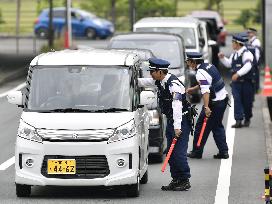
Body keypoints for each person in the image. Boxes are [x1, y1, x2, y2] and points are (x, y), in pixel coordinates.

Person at [138, 58, 192, 191]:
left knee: (178, 152)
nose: (151, 74)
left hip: (180, 121)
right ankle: (176, 179)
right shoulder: (160, 80)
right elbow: (144, 81)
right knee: (171, 152)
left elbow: (177, 106)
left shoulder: (174, 84)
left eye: (152, 71)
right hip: (172, 120)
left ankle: (184, 180)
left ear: (160, 71)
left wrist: (177, 127)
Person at [186, 52, 229, 159]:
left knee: (201, 127)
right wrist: (194, 89)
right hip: (223, 100)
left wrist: (206, 107)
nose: (188, 64)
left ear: (194, 62)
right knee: (217, 126)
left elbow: (206, 91)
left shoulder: (200, 73)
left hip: (214, 104)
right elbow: (207, 83)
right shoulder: (209, 66)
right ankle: (224, 152)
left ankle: (197, 152)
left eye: (189, 61)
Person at [218, 33, 254, 128]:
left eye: (233, 42)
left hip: (246, 83)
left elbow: (248, 66)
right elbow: (229, 64)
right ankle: (238, 120)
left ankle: (247, 118)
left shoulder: (247, 54)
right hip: (236, 84)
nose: (232, 44)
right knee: (237, 100)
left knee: (247, 102)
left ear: (237, 43)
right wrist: (222, 58)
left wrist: (238, 74)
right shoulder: (234, 54)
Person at [247, 27, 262, 93]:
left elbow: (257, 53)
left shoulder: (256, 41)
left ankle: (256, 89)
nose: (248, 34)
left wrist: (256, 63)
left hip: (255, 62)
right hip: (252, 61)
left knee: (255, 75)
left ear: (254, 33)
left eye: (249, 32)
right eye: (248, 32)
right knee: (252, 75)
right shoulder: (250, 41)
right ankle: (253, 89)